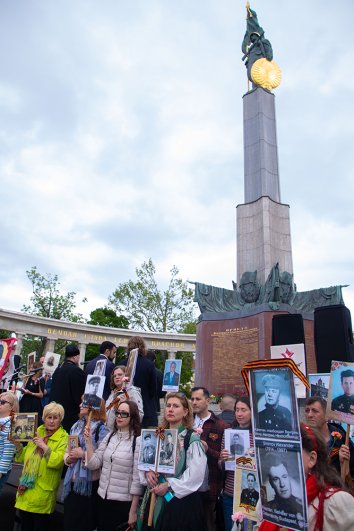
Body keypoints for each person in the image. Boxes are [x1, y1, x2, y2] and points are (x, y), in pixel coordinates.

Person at [259, 424, 354, 530]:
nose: (285, 459)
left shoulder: (336, 502)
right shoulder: (268, 504)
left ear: (312, 459)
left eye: (291, 452)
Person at [139, 392, 207, 530]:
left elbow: (196, 475)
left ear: (185, 411)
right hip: (154, 497)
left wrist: (169, 485)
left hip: (179, 503)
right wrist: (148, 472)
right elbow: (148, 460)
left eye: (176, 406)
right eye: (168, 405)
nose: (170, 409)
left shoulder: (191, 439)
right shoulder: (158, 434)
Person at [85, 400, 143, 531]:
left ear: (132, 417)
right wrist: (88, 442)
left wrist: (133, 511)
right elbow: (94, 464)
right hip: (102, 499)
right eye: (118, 412)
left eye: (124, 414)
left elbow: (137, 480)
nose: (119, 416)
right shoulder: (110, 436)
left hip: (122, 503)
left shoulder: (137, 441)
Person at [14, 402, 68, 530]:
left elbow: (58, 462)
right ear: (44, 418)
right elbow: (22, 457)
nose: (52, 421)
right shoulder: (37, 431)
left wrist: (43, 446)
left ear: (60, 419)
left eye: (55, 418)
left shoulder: (64, 437)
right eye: (49, 417)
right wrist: (16, 444)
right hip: (26, 492)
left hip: (43, 495)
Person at [63, 398, 109, 531]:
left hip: (89, 483)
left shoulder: (102, 429)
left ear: (93, 407)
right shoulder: (76, 425)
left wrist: (82, 454)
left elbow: (101, 457)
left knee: (84, 523)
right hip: (72, 480)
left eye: (83, 403)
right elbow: (67, 450)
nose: (79, 405)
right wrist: (68, 459)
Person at [191, 386, 229, 531]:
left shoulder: (221, 426)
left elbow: (224, 459)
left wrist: (208, 450)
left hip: (209, 486)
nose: (194, 402)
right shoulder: (187, 423)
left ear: (207, 401)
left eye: (198, 399)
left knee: (208, 525)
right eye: (192, 399)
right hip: (186, 487)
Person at [219, 397, 255, 531]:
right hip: (230, 493)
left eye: (244, 410)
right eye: (237, 410)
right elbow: (220, 464)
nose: (239, 414)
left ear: (252, 412)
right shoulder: (228, 433)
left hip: (251, 495)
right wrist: (223, 459)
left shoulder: (258, 435)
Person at [304, 395, 354, 482]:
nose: (309, 415)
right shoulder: (303, 440)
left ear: (327, 416)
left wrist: (344, 464)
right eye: (307, 411)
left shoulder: (342, 440)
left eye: (315, 411)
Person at [50, 344, 86, 433]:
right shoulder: (77, 371)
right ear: (75, 357)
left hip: (55, 412)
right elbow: (79, 396)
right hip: (69, 415)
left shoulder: (57, 370)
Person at [126, 336, 158, 428]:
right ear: (143, 348)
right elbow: (153, 389)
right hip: (145, 407)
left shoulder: (122, 363)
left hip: (125, 408)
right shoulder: (149, 365)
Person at [263, 454, 303, 522]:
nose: (282, 484)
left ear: (289, 478)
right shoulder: (266, 508)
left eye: (284, 477)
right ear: (271, 483)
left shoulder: (302, 506)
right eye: (276, 479)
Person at [106, 365, 144, 430]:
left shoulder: (132, 392)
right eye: (114, 376)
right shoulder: (113, 393)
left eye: (120, 374)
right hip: (109, 433)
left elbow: (139, 416)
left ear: (126, 376)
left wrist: (127, 405)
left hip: (125, 432)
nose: (117, 377)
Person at [0, 392, 19, 493]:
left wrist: (1, 471)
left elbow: (8, 450)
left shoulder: (10, 424)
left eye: (2, 402)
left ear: (12, 407)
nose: (0, 403)